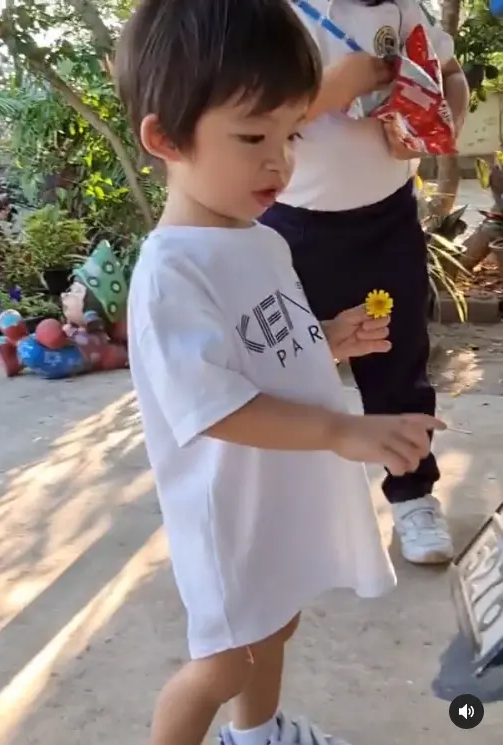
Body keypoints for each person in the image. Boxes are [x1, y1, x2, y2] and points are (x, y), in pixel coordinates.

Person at [116, 1, 446, 743]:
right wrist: (339, 430)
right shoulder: (173, 271)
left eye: (291, 133)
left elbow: (256, 351)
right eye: (251, 137)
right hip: (229, 516)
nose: (279, 161)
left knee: (278, 622)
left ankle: (258, 734)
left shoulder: (258, 239)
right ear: (165, 139)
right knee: (222, 666)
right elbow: (213, 405)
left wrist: (324, 340)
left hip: (273, 497)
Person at [260, 0, 469, 566]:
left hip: (388, 218)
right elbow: (247, 121)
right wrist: (332, 90)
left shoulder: (399, 7)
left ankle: (413, 495)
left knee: (399, 362)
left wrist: (441, 124)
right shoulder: (269, 14)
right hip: (290, 225)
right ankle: (291, 505)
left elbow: (450, 74)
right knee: (288, 366)